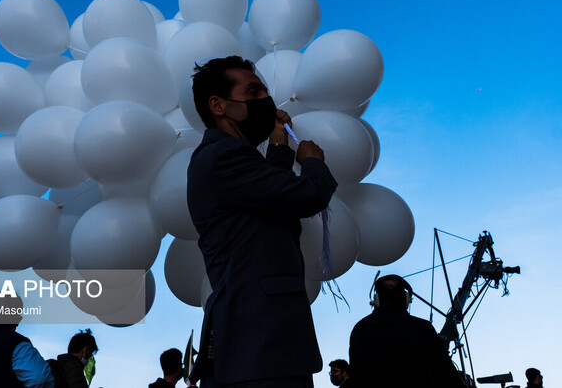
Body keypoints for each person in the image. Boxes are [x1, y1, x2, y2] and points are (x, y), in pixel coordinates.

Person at [187, 56, 337, 387]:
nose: (265, 101)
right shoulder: (223, 155)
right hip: (260, 347)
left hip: (262, 348)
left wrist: (279, 146)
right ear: (219, 105)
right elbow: (306, 196)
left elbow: (269, 202)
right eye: (253, 92)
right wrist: (313, 163)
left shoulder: (230, 159)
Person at [348, 274, 465, 388]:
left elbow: (355, 376)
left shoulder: (359, 330)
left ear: (376, 300)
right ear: (406, 299)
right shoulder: (423, 328)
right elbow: (446, 375)